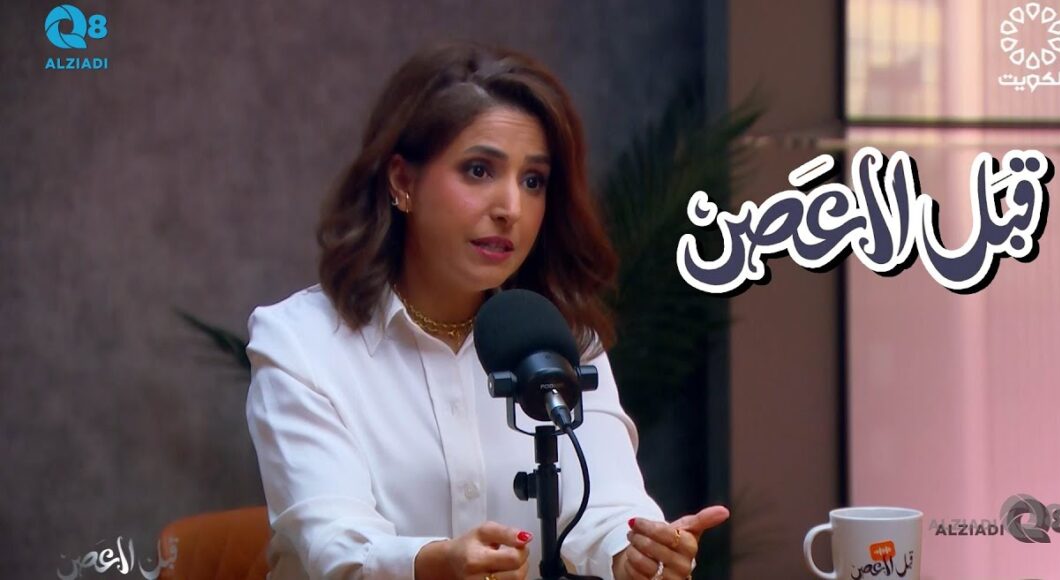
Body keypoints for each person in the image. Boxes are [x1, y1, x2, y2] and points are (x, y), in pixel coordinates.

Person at [245, 41, 728, 580]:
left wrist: (638, 552)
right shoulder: (300, 342)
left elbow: (609, 505)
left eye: (533, 181)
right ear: (402, 181)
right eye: (479, 171)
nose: (511, 209)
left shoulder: (561, 338)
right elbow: (335, 544)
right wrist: (436, 563)